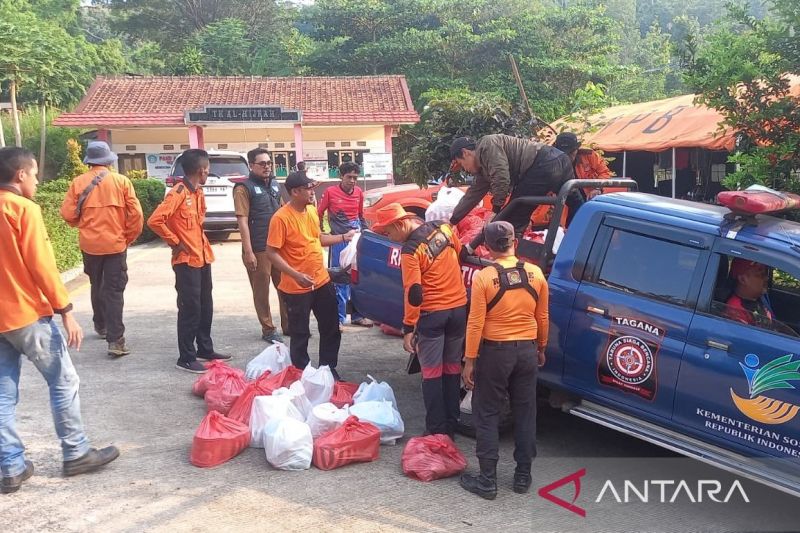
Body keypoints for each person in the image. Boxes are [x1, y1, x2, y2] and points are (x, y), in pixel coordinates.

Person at [0, 147, 120, 494]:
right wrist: (66, 311)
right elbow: (40, 265)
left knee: (3, 394)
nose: (37, 180)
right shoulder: (23, 209)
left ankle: (9, 467)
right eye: (35, 174)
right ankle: (76, 451)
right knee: (63, 381)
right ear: (20, 175)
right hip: (27, 315)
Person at [460, 221, 548, 500]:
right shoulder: (535, 274)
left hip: (496, 352)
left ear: (486, 247)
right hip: (526, 352)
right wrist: (541, 347)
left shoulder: (484, 277)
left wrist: (469, 361)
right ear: (515, 243)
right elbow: (542, 317)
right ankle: (523, 476)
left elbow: (475, 323)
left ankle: (488, 480)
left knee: (486, 412)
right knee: (525, 411)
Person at [372, 203, 467, 437]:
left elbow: (414, 292)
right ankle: (452, 423)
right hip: (458, 310)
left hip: (433, 315)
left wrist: (408, 328)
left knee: (432, 372)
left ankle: (436, 430)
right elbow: (461, 253)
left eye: (389, 232)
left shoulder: (410, 250)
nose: (390, 238)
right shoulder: (444, 229)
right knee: (452, 368)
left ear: (400, 224)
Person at [265, 171, 354, 379]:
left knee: (331, 328)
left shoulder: (312, 211)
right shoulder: (281, 218)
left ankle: (327, 370)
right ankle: (302, 374)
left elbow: (318, 239)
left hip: (321, 280)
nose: (313, 192)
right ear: (295, 192)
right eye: (309, 189)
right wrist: (295, 275)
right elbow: (271, 252)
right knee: (300, 334)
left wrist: (344, 237)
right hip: (296, 287)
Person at [147, 149, 230, 373]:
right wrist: (175, 242)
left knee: (206, 306)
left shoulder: (197, 193)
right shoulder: (178, 193)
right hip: (186, 260)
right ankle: (186, 357)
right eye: (207, 170)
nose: (208, 174)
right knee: (190, 308)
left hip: (202, 257)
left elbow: (198, 221)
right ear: (201, 170)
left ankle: (204, 348)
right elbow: (155, 221)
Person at [60, 141, 143, 357]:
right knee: (114, 290)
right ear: (109, 161)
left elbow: (68, 214)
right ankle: (115, 340)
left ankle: (101, 324)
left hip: (89, 245)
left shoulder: (78, 183)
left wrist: (83, 225)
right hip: (115, 244)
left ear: (89, 161)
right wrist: (128, 238)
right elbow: (136, 215)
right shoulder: (121, 182)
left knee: (96, 283)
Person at [448, 134, 581, 233]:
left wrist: (496, 210)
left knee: (513, 217)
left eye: (461, 165)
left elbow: (501, 177)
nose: (465, 170)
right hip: (561, 160)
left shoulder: (487, 145)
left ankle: (512, 260)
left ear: (465, 153)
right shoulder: (483, 169)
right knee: (577, 205)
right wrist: (452, 221)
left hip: (544, 163)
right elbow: (472, 195)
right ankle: (577, 242)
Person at [234, 148, 289, 343]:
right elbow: (242, 221)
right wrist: (248, 251)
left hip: (278, 247)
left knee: (285, 286)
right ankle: (268, 329)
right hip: (258, 248)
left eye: (269, 163)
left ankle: (288, 325)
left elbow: (284, 211)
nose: (267, 167)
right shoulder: (243, 189)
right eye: (262, 164)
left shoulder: (274, 185)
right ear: (251, 166)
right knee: (261, 291)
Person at [317, 161, 373, 328]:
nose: (353, 181)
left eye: (355, 177)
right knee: (339, 280)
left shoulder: (359, 193)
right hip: (339, 241)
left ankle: (357, 316)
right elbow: (318, 213)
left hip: (356, 242)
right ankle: (339, 319)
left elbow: (360, 216)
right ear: (341, 176)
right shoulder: (330, 192)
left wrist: (367, 232)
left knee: (357, 280)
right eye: (349, 177)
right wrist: (320, 233)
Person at [553, 132, 612, 199]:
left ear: (577, 149)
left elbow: (605, 173)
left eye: (571, 152)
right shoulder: (550, 161)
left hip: (590, 198)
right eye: (565, 153)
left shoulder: (589, 155)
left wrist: (597, 188)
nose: (569, 156)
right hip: (564, 199)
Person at [724, 259, 774, 326]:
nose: (766, 278)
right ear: (742, 279)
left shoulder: (760, 300)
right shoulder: (735, 310)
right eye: (761, 275)